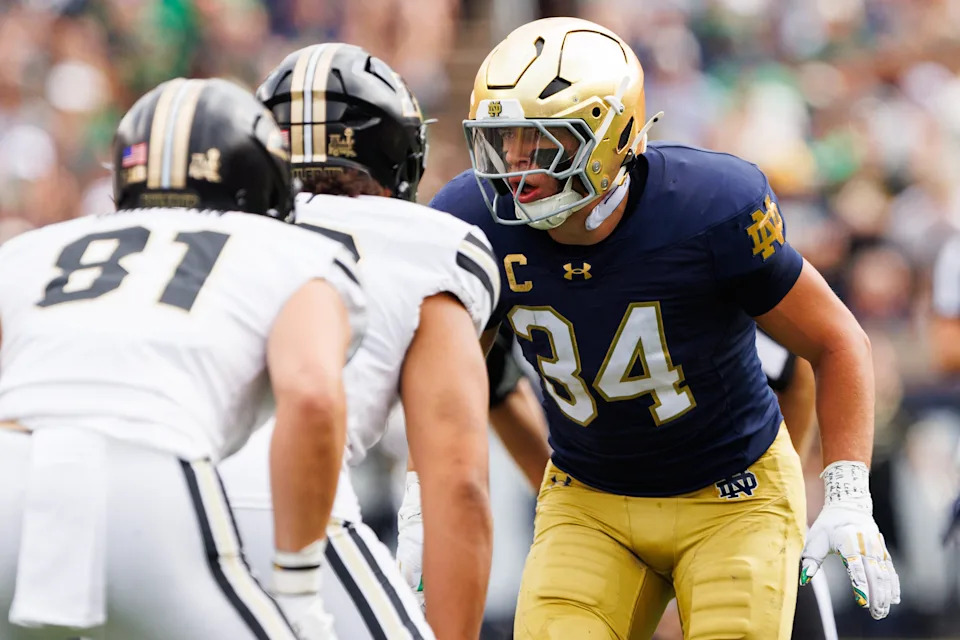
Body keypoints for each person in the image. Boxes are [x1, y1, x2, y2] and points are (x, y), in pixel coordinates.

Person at [429, 16, 900, 639]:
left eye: (540, 143)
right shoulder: (472, 220)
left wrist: (845, 491)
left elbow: (833, 342)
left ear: (609, 137)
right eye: (502, 140)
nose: (514, 166)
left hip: (730, 494)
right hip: (588, 498)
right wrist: (421, 500)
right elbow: (455, 380)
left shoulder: (708, 209)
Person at [0, 77, 366, 639]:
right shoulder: (295, 252)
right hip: (144, 479)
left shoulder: (30, 250)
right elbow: (314, 396)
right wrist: (298, 588)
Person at [218, 43, 498, 640]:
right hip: (280, 505)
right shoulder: (428, 243)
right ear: (398, 153)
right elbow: (458, 483)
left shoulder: (201, 229)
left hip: (125, 503)